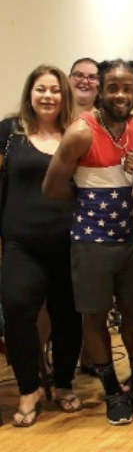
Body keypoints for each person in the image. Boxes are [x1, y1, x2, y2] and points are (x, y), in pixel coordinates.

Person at [42, 59, 133, 425]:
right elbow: (52, 189)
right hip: (92, 240)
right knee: (94, 317)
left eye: (127, 87)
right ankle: (111, 389)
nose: (121, 95)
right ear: (100, 90)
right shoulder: (81, 132)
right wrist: (90, 205)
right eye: (113, 88)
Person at [0, 65, 82, 426]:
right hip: (21, 243)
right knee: (17, 310)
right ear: (30, 94)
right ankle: (28, 389)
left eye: (55, 89)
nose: (48, 96)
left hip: (70, 243)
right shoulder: (8, 132)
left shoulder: (77, 133)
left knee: (68, 317)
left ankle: (63, 383)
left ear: (64, 95)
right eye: (40, 89)